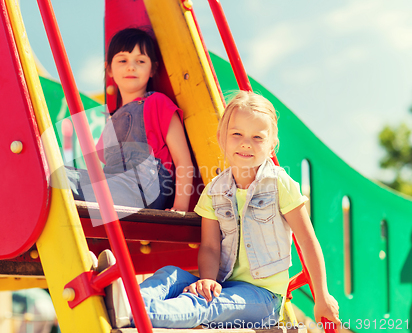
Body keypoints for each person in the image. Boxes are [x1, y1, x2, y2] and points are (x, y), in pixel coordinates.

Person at [98, 91, 340, 329]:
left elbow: (307, 241)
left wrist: (322, 296)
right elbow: (211, 247)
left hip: (263, 299)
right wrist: (207, 280)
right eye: (237, 134)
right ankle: (130, 300)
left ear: (271, 146)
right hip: (225, 284)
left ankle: (136, 313)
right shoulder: (214, 191)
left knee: (205, 304)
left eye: (258, 137)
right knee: (170, 275)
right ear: (221, 137)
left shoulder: (279, 184)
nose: (246, 142)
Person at [66, 28, 193, 211]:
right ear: (109, 69)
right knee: (55, 176)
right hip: (115, 186)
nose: (131, 66)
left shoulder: (157, 103)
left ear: (152, 69)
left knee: (64, 182)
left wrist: (180, 206)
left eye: (140, 61)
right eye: (123, 60)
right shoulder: (111, 123)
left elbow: (183, 161)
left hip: (146, 189)